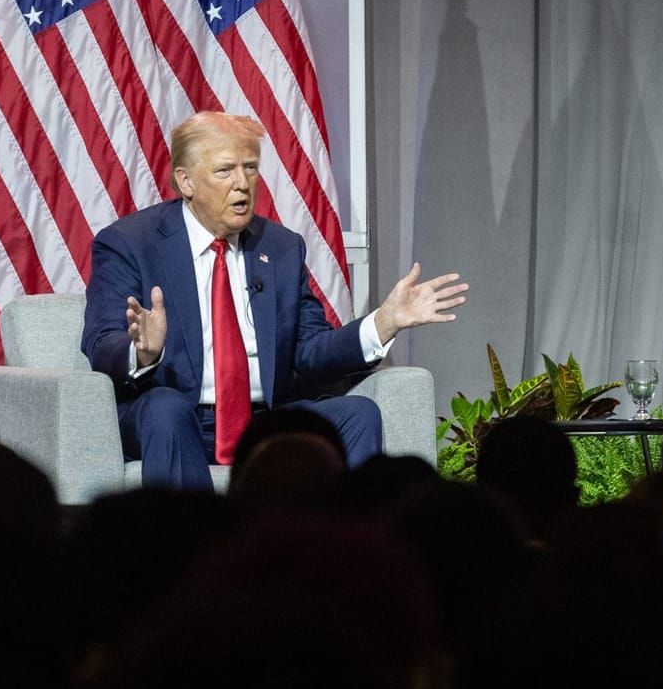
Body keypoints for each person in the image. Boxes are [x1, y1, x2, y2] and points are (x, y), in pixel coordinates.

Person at [82, 111, 467, 490]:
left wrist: (383, 323)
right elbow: (101, 344)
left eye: (250, 168)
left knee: (357, 413)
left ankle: (343, 546)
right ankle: (193, 548)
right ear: (186, 181)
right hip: (173, 417)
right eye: (224, 170)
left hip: (262, 422)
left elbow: (309, 350)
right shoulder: (131, 243)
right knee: (166, 409)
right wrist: (143, 353)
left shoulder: (280, 248)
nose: (242, 184)